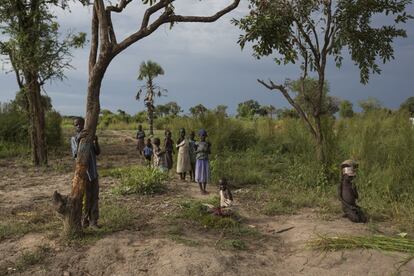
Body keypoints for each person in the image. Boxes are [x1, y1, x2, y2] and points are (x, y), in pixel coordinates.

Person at [70, 117, 101, 228]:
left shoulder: (89, 137)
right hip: (84, 174)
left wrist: (96, 141)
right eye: (76, 125)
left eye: (80, 124)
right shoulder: (74, 139)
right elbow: (75, 154)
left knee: (94, 197)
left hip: (93, 173)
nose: (79, 126)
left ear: (84, 124)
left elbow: (97, 152)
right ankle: (84, 220)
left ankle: (94, 221)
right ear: (75, 127)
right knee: (85, 198)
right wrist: (79, 138)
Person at [195, 129, 211, 194]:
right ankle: (201, 189)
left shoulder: (207, 144)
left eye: (204, 135)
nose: (203, 137)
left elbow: (209, 152)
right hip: (199, 160)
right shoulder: (197, 143)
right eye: (202, 135)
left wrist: (208, 148)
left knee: (205, 175)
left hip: (205, 160)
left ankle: (204, 189)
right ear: (199, 136)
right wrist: (200, 150)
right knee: (199, 174)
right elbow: (194, 152)